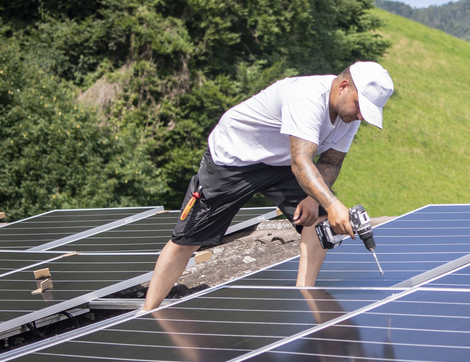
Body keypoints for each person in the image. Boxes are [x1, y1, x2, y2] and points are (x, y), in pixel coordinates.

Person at [142, 61, 394, 311]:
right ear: (344, 86)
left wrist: (316, 200)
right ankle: (148, 311)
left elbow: (331, 161)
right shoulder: (307, 97)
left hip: (283, 161)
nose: (360, 116)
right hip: (234, 160)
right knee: (187, 239)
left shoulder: (349, 116)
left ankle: (304, 296)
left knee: (318, 218)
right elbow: (301, 161)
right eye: (359, 107)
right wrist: (333, 203)